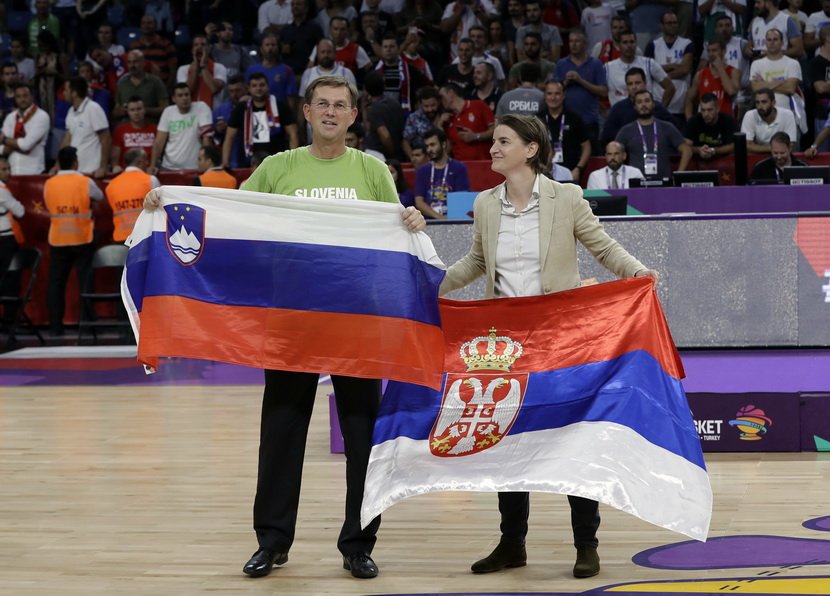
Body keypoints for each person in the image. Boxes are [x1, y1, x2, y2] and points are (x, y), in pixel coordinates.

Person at [145, 75, 426, 579]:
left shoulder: (373, 170)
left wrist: (411, 223)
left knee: (363, 433)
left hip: (355, 319)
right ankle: (272, 541)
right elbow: (231, 218)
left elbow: (391, 231)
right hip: (291, 319)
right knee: (281, 430)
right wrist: (165, 208)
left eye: (342, 106)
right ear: (306, 111)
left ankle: (358, 544)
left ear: (354, 116)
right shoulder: (277, 167)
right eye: (324, 104)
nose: (332, 112)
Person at [439, 113, 658, 578]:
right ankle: (511, 544)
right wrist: (431, 284)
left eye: (502, 141)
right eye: (494, 141)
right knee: (508, 440)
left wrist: (637, 273)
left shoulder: (568, 197)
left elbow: (602, 247)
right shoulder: (485, 203)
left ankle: (586, 544)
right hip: (507, 344)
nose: (492, 148)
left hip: (562, 339)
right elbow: (477, 261)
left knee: (574, 440)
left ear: (530, 149)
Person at [43, 146, 103, 337]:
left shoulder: (49, 183)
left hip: (58, 238)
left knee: (56, 284)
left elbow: (48, 203)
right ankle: (87, 326)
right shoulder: (85, 182)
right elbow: (99, 197)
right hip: (82, 237)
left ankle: (55, 327)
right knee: (85, 283)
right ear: (76, 162)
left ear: (59, 163)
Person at [223, 72, 298, 167]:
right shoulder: (241, 108)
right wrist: (225, 162)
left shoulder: (281, 106)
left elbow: (293, 134)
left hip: (277, 161)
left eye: (262, 85)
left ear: (268, 87)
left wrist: (294, 161)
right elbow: (229, 137)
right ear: (248, 89)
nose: (258, 88)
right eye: (254, 86)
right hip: (248, 162)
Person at [615, 90, 692, 180]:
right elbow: (614, 153)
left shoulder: (667, 127)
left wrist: (678, 175)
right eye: (639, 102)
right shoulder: (626, 130)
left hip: (663, 184)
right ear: (635, 107)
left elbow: (687, 151)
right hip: (635, 184)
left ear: (653, 104)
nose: (643, 105)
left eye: (647, 101)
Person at [150, 83, 214, 172]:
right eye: (180, 95)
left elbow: (206, 139)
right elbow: (159, 142)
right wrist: (153, 165)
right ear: (173, 99)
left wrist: (206, 165)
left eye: (187, 94)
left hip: (194, 167)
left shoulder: (201, 107)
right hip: (169, 167)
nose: (184, 98)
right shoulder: (168, 112)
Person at [537, 80, 591, 182]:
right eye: (549, 94)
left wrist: (578, 168)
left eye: (557, 94)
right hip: (542, 174)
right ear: (544, 95)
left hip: (570, 173)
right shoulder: (537, 119)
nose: (553, 98)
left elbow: (586, 147)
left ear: (564, 95)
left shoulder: (574, 118)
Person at [60, 77, 111, 178]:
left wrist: (103, 167)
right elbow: (67, 139)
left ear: (74, 93)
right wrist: (58, 164)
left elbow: (106, 138)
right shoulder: (70, 111)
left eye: (66, 90)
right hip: (74, 171)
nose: (63, 93)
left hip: (92, 172)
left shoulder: (93, 109)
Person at [414, 127, 471, 218]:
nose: (429, 149)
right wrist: (440, 218)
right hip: (429, 222)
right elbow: (419, 202)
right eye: (427, 146)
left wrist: (449, 219)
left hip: (454, 220)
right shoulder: (422, 171)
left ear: (443, 144)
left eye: (432, 145)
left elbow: (462, 198)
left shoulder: (458, 168)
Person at [105, 148, 160, 243]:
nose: (147, 163)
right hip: (146, 237)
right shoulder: (150, 180)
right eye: (146, 160)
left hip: (121, 238)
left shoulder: (111, 185)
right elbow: (161, 208)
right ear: (140, 162)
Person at [0, 82, 50, 175]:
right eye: (18, 97)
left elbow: (26, 145)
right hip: (11, 171)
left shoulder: (41, 116)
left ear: (32, 97)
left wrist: (4, 139)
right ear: (15, 98)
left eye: (25, 96)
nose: (22, 99)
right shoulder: (10, 117)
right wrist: (16, 144)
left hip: (33, 172)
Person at [740, 87, 798, 154]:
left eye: (764, 102)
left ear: (773, 103)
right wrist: (774, 148)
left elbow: (790, 146)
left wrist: (756, 147)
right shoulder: (750, 115)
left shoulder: (787, 115)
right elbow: (746, 146)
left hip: (782, 156)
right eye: (757, 102)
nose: (760, 106)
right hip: (759, 156)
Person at [684, 93, 737, 159]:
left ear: (717, 109)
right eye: (703, 110)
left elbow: (733, 146)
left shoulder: (728, 121)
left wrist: (713, 150)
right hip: (698, 161)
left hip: (722, 160)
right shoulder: (693, 121)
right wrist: (699, 150)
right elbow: (685, 146)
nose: (706, 114)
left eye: (709, 110)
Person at [111, 97, 158, 173]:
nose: (136, 113)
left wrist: (153, 166)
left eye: (139, 109)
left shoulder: (155, 129)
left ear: (144, 110)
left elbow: (157, 150)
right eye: (132, 110)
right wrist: (115, 166)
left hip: (148, 172)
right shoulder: (120, 130)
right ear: (128, 112)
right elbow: (115, 153)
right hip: (126, 172)